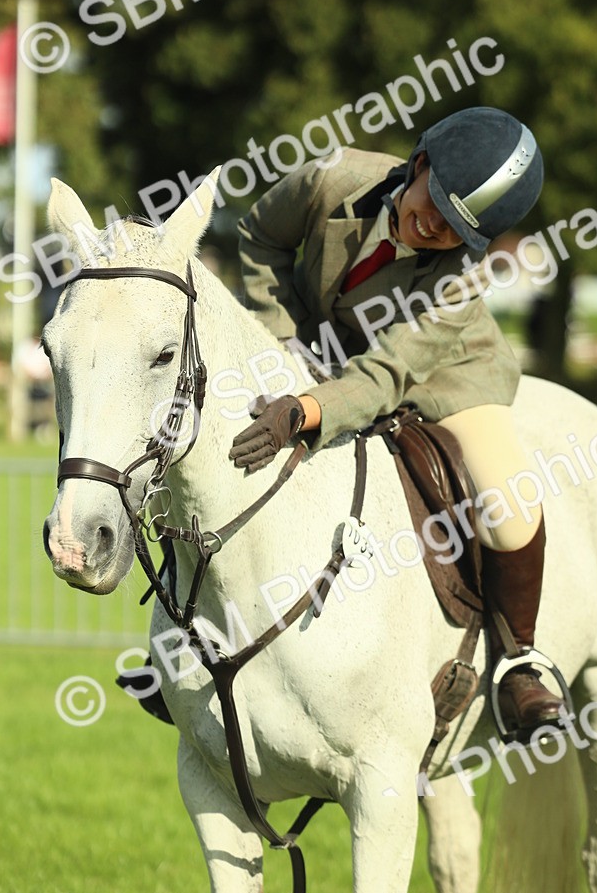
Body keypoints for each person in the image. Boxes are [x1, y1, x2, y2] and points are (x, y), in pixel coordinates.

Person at [228, 106, 565, 736]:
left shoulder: (461, 279)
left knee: (507, 502)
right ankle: (196, 643)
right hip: (322, 352)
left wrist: (306, 408)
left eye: (455, 229)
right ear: (418, 164)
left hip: (448, 378)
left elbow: (385, 377)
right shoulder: (330, 179)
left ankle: (519, 663)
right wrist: (287, 344)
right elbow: (258, 235)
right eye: (434, 200)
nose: (433, 226)